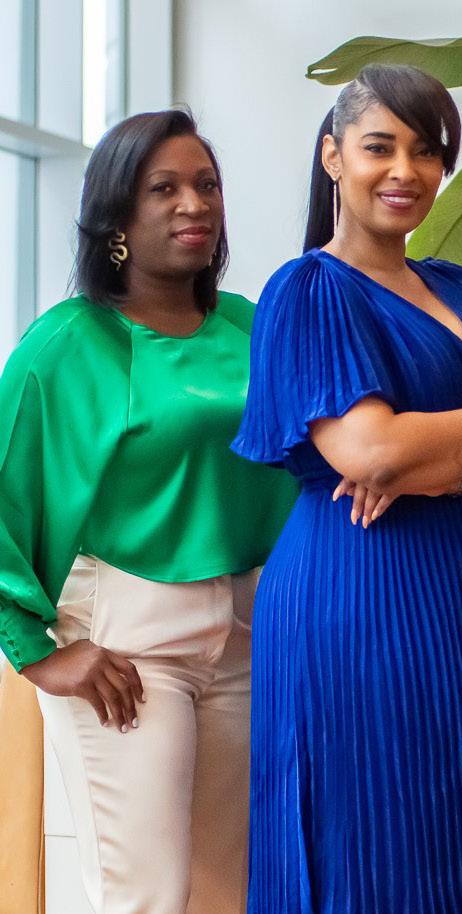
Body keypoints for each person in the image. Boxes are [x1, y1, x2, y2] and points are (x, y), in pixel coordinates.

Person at [232, 64, 462, 914]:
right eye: (379, 147)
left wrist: (432, 471)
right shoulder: (306, 290)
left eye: (426, 151)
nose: (405, 171)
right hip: (356, 596)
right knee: (367, 844)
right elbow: (368, 450)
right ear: (333, 157)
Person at [0, 109, 297, 914]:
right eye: (163, 189)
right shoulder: (67, 344)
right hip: (128, 641)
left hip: (248, 634)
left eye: (206, 184)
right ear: (116, 219)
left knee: (226, 894)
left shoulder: (253, 325)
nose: (193, 204)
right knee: (147, 897)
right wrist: (35, 653)